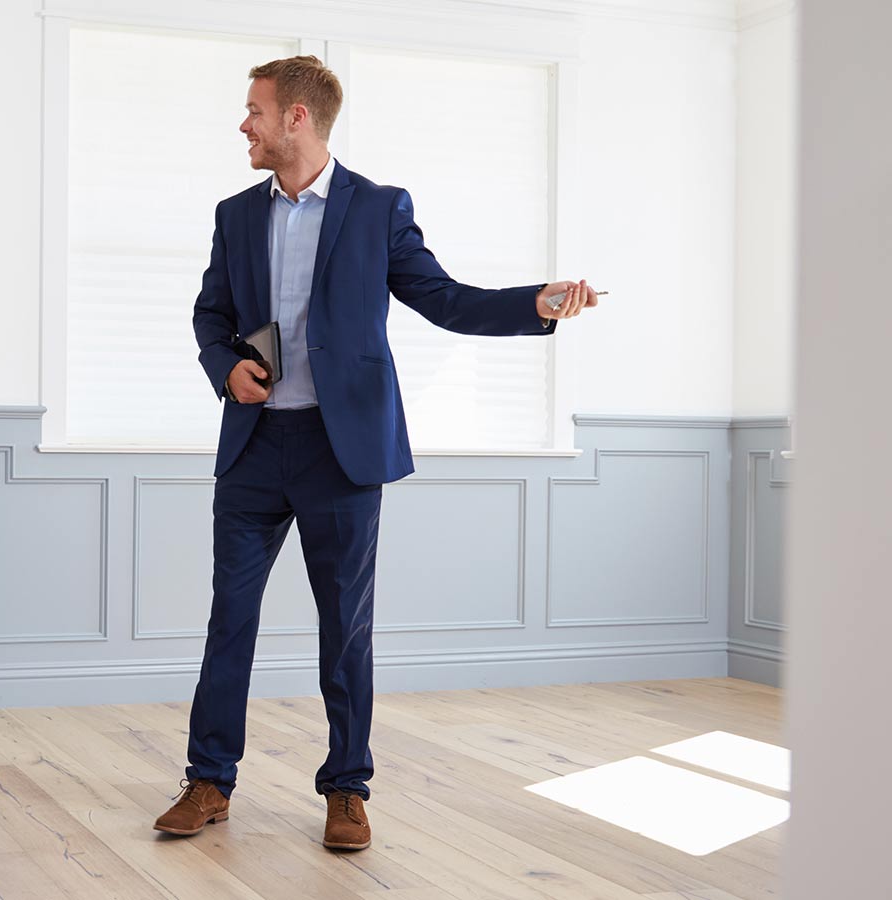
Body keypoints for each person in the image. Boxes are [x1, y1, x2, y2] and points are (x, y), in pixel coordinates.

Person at [154, 56, 600, 852]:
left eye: (254, 111)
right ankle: (210, 780)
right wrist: (225, 368)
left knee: (346, 630)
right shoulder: (234, 215)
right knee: (230, 620)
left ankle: (347, 789)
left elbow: (445, 299)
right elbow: (209, 316)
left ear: (297, 117)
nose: (244, 125)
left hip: (343, 454)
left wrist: (534, 304)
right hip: (255, 451)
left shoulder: (377, 209)